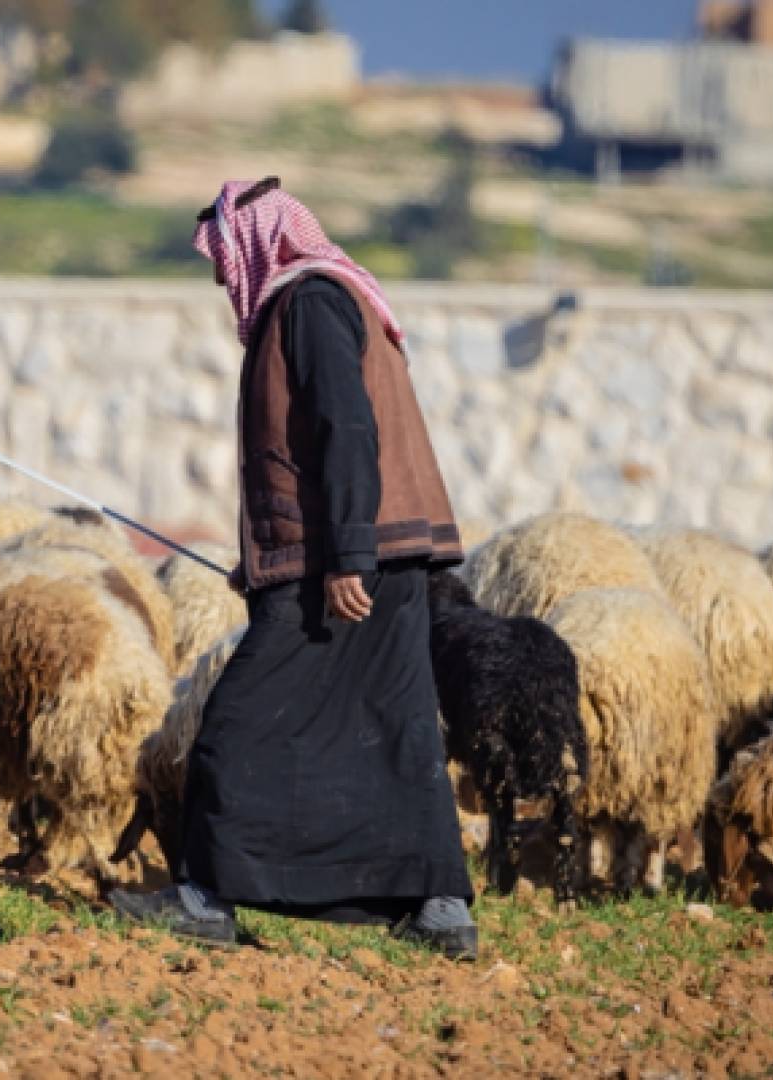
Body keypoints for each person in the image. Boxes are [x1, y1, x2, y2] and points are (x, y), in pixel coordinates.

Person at [109, 178, 478, 959]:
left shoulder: (307, 302)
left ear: (258, 242)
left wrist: (346, 556)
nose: (223, 277)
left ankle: (204, 899)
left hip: (349, 561)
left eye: (223, 260)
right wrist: (267, 564)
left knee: (237, 725)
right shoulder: (331, 297)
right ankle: (441, 909)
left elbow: (346, 429)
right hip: (373, 553)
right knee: (394, 723)